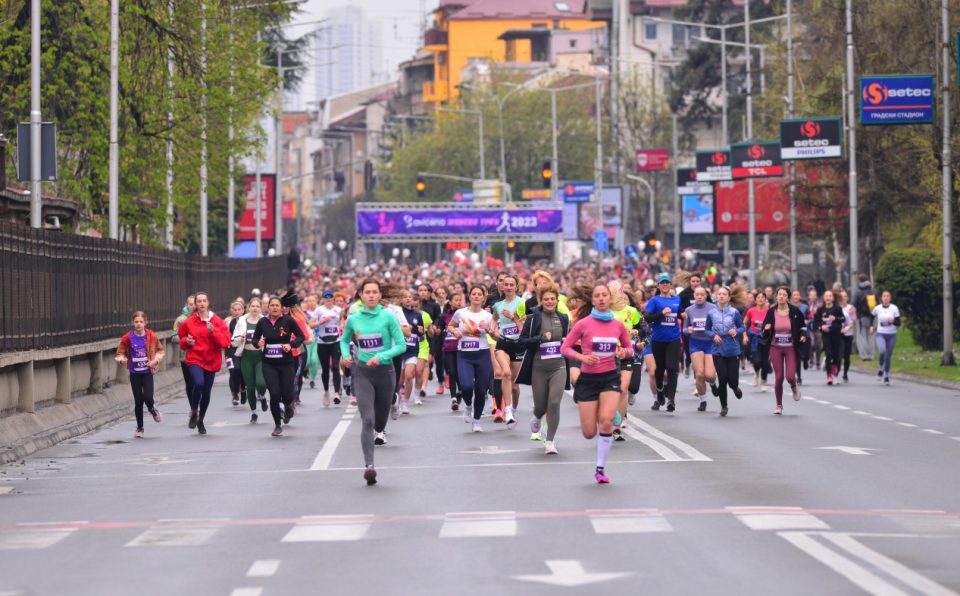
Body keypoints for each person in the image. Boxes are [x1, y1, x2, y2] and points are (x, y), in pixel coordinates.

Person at [560, 284, 633, 484]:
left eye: (604, 295)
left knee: (607, 421)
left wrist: (622, 352)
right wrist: (582, 358)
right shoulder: (583, 324)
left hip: (610, 377)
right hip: (588, 380)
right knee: (589, 432)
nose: (601, 298)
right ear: (592, 300)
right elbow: (565, 348)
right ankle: (594, 406)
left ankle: (600, 469)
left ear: (610, 299)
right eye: (597, 296)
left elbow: (629, 349)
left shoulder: (618, 325)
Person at [340, 279, 407, 485]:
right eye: (367, 292)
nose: (370, 295)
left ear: (379, 295)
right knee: (367, 419)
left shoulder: (388, 317)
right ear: (361, 295)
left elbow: (402, 345)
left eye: (374, 292)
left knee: (379, 422)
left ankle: (393, 401)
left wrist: (383, 356)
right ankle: (369, 466)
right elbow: (344, 340)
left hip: (385, 372)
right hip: (363, 373)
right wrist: (346, 355)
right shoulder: (354, 319)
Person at [516, 282, 569, 454]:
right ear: (541, 300)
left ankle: (550, 441)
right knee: (540, 406)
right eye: (546, 299)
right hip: (538, 367)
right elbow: (522, 341)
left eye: (552, 299)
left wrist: (566, 342)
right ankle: (537, 417)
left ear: (557, 300)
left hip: (558, 366)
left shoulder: (563, 318)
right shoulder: (533, 319)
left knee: (554, 403)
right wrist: (539, 338)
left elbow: (568, 340)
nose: (549, 302)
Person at [252, 294, 306, 437]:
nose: (274, 308)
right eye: (272, 305)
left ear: (282, 308)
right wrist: (258, 343)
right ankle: (277, 425)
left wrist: (291, 345)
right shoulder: (262, 322)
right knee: (274, 394)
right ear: (268, 307)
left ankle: (288, 405)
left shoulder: (288, 320)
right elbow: (255, 339)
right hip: (269, 364)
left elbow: (301, 336)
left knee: (287, 395)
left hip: (286, 364)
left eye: (277, 305)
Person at [177, 291, 231, 435]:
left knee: (206, 392)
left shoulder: (217, 321)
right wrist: (186, 341)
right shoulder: (189, 321)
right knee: (199, 383)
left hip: (211, 360)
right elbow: (181, 337)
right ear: (195, 304)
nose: (201, 303)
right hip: (195, 358)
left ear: (208, 303)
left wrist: (214, 332)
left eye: (204, 301)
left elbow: (226, 343)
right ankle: (194, 410)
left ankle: (200, 420)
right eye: (199, 301)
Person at [451, 284, 499, 433]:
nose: (477, 296)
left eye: (479, 294)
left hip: (482, 355)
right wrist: (455, 331)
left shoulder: (488, 316)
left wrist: (488, 329)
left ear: (483, 298)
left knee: (480, 389)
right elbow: (450, 326)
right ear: (470, 297)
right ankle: (468, 406)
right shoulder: (460, 313)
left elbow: (496, 335)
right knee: (466, 386)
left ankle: (477, 420)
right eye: (474, 294)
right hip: (464, 355)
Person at [115, 311, 164, 438]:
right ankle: (140, 428)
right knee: (138, 401)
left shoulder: (151, 336)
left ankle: (152, 409)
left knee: (148, 397)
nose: (138, 324)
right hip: (134, 373)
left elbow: (160, 350)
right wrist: (122, 359)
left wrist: (155, 361)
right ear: (133, 323)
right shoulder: (127, 338)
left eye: (141, 322)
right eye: (136, 322)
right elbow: (119, 354)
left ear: (145, 323)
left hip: (147, 372)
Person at [761, 287, 806, 414]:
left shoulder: (795, 311)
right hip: (776, 347)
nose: (781, 297)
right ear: (776, 297)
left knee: (790, 376)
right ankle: (779, 405)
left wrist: (803, 335)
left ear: (788, 297)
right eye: (779, 294)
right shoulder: (771, 312)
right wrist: (767, 328)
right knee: (779, 377)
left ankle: (794, 386)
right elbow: (764, 330)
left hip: (791, 347)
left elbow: (803, 326)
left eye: (784, 295)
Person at [644, 273, 683, 413]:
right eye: (662, 283)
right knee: (659, 369)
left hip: (673, 338)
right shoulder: (655, 301)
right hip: (658, 339)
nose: (665, 285)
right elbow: (647, 318)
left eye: (667, 282)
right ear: (659, 285)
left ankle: (671, 400)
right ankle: (660, 390)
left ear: (670, 285)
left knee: (672, 368)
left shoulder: (677, 300)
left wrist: (683, 315)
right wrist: (661, 313)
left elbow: (679, 313)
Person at [704, 285, 746, 417]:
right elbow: (707, 329)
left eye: (724, 294)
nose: (721, 296)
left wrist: (736, 331)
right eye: (719, 294)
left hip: (733, 349)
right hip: (718, 350)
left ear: (728, 298)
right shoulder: (711, 313)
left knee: (732, 380)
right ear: (716, 297)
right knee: (722, 379)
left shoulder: (734, 312)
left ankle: (735, 387)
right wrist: (713, 335)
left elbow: (741, 327)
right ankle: (724, 406)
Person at [231, 297, 267, 423]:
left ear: (261, 308)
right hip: (246, 356)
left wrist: (265, 342)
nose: (255, 308)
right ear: (249, 307)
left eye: (258, 306)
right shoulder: (242, 321)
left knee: (261, 383)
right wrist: (240, 339)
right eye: (253, 306)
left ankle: (262, 396)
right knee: (250, 387)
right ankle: (254, 412)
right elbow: (233, 340)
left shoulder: (265, 321)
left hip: (260, 357)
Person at [683, 286, 718, 411]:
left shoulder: (713, 308)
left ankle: (713, 383)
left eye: (702, 294)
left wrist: (715, 329)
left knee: (709, 375)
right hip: (696, 343)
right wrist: (688, 330)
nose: (699, 297)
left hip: (709, 343)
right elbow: (684, 329)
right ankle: (703, 401)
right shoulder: (689, 310)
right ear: (694, 295)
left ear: (705, 295)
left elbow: (718, 324)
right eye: (697, 294)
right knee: (699, 374)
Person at [314, 291, 343, 406]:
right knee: (325, 369)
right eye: (326, 298)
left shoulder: (338, 310)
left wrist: (341, 328)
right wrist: (321, 322)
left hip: (336, 341)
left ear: (333, 299)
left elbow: (342, 323)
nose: (328, 300)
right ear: (323, 299)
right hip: (322, 342)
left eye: (330, 298)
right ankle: (326, 391)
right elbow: (311, 324)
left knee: (335, 366)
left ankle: (336, 393)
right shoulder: (319, 310)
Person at [399, 289, 425, 414]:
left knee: (409, 376)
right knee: (398, 380)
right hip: (399, 349)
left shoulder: (417, 315)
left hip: (412, 350)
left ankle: (405, 403)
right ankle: (395, 399)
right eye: (405, 297)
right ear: (401, 299)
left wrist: (420, 332)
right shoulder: (397, 313)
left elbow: (422, 337)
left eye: (410, 297)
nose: (408, 299)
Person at [870, 290, 901, 385]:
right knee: (882, 351)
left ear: (890, 298)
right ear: (882, 298)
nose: (886, 298)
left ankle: (886, 375)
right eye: (884, 296)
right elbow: (871, 317)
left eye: (888, 296)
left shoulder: (894, 308)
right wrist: (871, 326)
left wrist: (893, 322)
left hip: (892, 335)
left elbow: (899, 323)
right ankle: (880, 368)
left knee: (888, 356)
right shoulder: (878, 308)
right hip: (881, 334)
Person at [441, 291, 465, 410]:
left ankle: (460, 391)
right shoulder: (445, 316)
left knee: (460, 373)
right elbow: (440, 332)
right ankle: (453, 398)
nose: (458, 302)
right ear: (450, 302)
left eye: (459, 300)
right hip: (448, 348)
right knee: (452, 372)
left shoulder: (463, 314)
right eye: (455, 300)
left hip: (461, 348)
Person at [814, 290, 844, 385]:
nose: (828, 298)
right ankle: (829, 375)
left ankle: (835, 373)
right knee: (828, 354)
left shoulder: (837, 308)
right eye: (826, 296)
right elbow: (816, 321)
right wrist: (821, 327)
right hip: (826, 335)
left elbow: (843, 319)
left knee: (837, 356)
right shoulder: (820, 309)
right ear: (824, 298)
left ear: (833, 298)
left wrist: (835, 319)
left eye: (830, 296)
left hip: (836, 335)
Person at [744, 292, 772, 392]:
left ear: (765, 300)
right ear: (755, 300)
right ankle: (756, 373)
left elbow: (773, 325)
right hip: (754, 339)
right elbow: (744, 324)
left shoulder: (769, 312)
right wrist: (745, 336)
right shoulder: (751, 311)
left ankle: (764, 381)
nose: (760, 299)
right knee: (757, 361)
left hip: (765, 340)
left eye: (762, 297)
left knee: (765, 362)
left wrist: (770, 329)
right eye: (758, 297)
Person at [172, 295, 196, 409]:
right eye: (190, 304)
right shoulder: (180, 320)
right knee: (190, 383)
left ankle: (198, 403)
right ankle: (193, 407)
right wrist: (185, 339)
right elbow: (174, 337)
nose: (193, 306)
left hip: (201, 355)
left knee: (200, 382)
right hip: (185, 356)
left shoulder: (204, 318)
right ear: (187, 305)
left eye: (195, 304)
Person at [224, 300, 246, 406]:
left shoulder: (246, 321)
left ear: (243, 310)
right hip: (229, 351)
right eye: (234, 309)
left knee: (241, 370)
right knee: (233, 370)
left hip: (242, 349)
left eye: (239, 310)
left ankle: (242, 389)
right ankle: (235, 393)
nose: (237, 312)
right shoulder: (227, 322)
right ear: (231, 310)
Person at [855, 274, 878, 361]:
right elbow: (878, 304)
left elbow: (854, 304)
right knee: (871, 337)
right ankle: (871, 356)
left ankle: (864, 356)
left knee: (862, 336)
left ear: (860, 281)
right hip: (873, 317)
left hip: (862, 317)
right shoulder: (874, 291)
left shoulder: (858, 292)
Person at [839, 289, 856, 382]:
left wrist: (847, 328)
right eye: (841, 296)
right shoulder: (837, 307)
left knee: (846, 355)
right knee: (839, 354)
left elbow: (853, 322)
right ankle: (836, 370)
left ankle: (845, 373)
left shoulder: (851, 308)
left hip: (848, 334)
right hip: (838, 335)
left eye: (845, 296)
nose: (843, 298)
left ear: (847, 298)